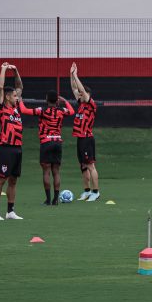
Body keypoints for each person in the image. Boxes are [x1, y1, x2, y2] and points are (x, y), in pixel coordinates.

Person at [19, 90, 75, 205]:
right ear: (57, 100)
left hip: (46, 142)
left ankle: (48, 200)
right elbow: (72, 111)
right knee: (56, 171)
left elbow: (24, 110)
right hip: (58, 142)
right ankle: (56, 200)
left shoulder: (42, 110)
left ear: (46, 99)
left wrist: (19, 100)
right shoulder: (61, 111)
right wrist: (65, 101)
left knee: (46, 171)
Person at [0, 62, 25, 221]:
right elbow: (0, 87)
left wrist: (15, 70)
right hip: (6, 148)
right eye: (15, 96)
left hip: (18, 148)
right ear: (7, 97)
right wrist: (3, 69)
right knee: (1, 180)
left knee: (13, 180)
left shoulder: (16, 108)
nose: (17, 97)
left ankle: (10, 211)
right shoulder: (1, 108)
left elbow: (20, 86)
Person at [70, 62, 100, 201]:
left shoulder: (90, 104)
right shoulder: (81, 104)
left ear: (87, 95)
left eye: (82, 93)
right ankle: (87, 191)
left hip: (87, 139)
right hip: (80, 138)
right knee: (83, 166)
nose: (79, 94)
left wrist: (76, 75)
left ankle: (96, 192)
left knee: (90, 165)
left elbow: (80, 88)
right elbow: (74, 88)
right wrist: (71, 74)